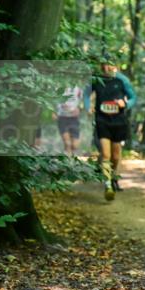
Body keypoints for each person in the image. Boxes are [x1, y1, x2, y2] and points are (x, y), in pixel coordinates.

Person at [87, 60, 136, 201]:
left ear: (115, 66)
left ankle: (113, 177)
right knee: (106, 154)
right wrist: (87, 106)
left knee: (115, 156)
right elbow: (85, 94)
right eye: (103, 65)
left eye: (109, 65)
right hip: (102, 121)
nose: (105, 68)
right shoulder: (96, 80)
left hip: (119, 122)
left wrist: (125, 103)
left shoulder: (122, 80)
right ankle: (108, 184)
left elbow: (133, 97)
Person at [55, 85, 83, 155]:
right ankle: (67, 162)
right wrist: (53, 111)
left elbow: (83, 101)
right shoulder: (58, 87)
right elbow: (53, 100)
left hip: (74, 118)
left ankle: (71, 159)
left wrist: (79, 109)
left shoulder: (78, 88)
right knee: (67, 143)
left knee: (75, 145)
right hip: (62, 117)